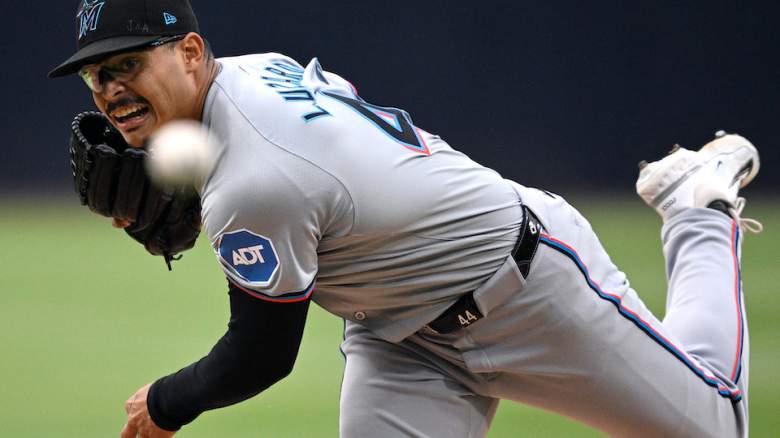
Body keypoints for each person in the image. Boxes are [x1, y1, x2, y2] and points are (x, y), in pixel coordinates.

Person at [50, 1, 762, 437]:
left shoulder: (254, 182)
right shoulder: (248, 70)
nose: (111, 89)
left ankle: (696, 207)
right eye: (96, 76)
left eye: (128, 65)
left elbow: (261, 353)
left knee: (715, 427)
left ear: (191, 52)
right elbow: (320, 172)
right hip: (400, 339)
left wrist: (167, 404)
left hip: (528, 290)